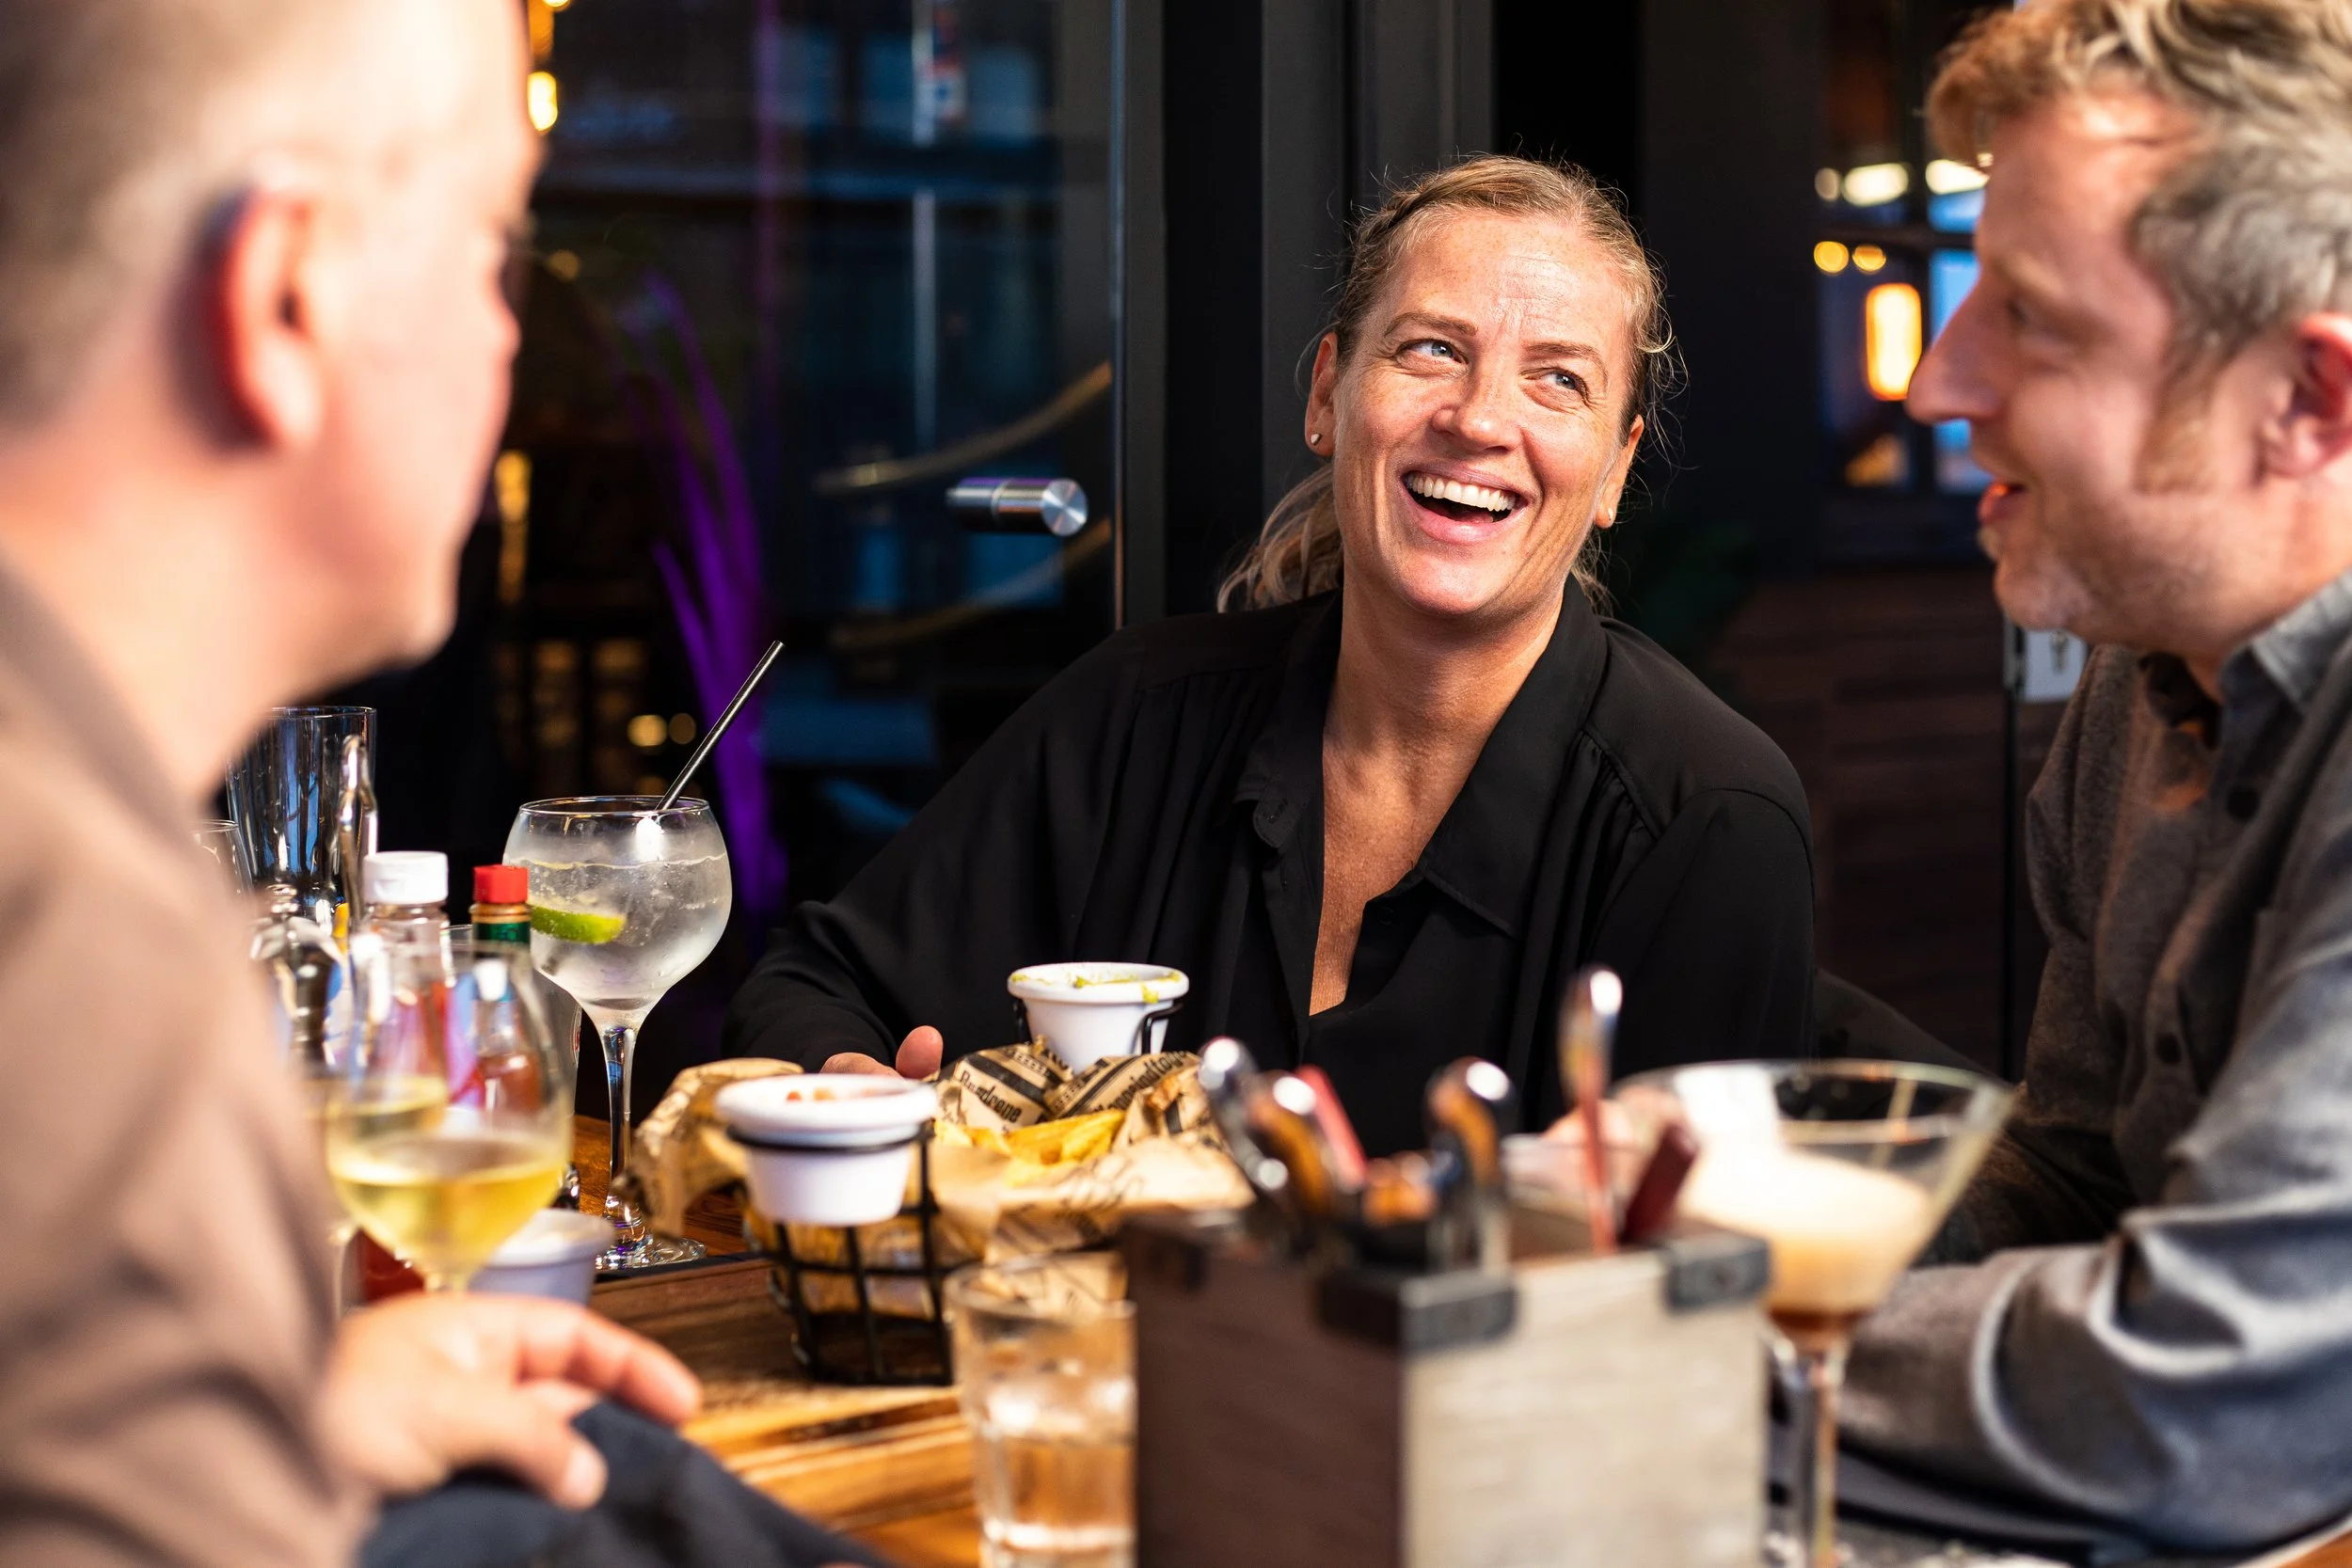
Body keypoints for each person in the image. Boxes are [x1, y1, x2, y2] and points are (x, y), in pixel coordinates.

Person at [0, 4, 871, 1566]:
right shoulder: (74, 948)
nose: (513, 339)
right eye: (489, 252)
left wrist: (281, 1413)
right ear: (288, 299)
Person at [724, 155, 1817, 1156]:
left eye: (1557, 380)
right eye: (1431, 347)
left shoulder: (1705, 816)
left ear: (1616, 469)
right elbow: (818, 983)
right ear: (1327, 394)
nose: (1480, 418)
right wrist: (852, 1087)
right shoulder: (1140, 711)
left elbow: (1686, 1289)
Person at [1830, 0, 2352, 1552]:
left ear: (2308, 403)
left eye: (2032, 318)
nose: (1935, 382)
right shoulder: (2143, 695)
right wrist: (1723, 1228)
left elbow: (2201, 1396)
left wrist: (1662, 1352)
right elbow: (2074, 1176)